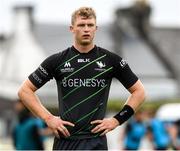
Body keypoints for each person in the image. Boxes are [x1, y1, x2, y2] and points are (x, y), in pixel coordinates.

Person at [18, 7, 145, 150]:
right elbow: (24, 91)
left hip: (95, 142)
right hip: (65, 141)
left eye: (90, 25)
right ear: (72, 28)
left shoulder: (111, 60)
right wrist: (48, 118)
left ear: (96, 28)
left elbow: (139, 92)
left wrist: (117, 120)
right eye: (81, 25)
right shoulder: (57, 61)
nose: (86, 29)